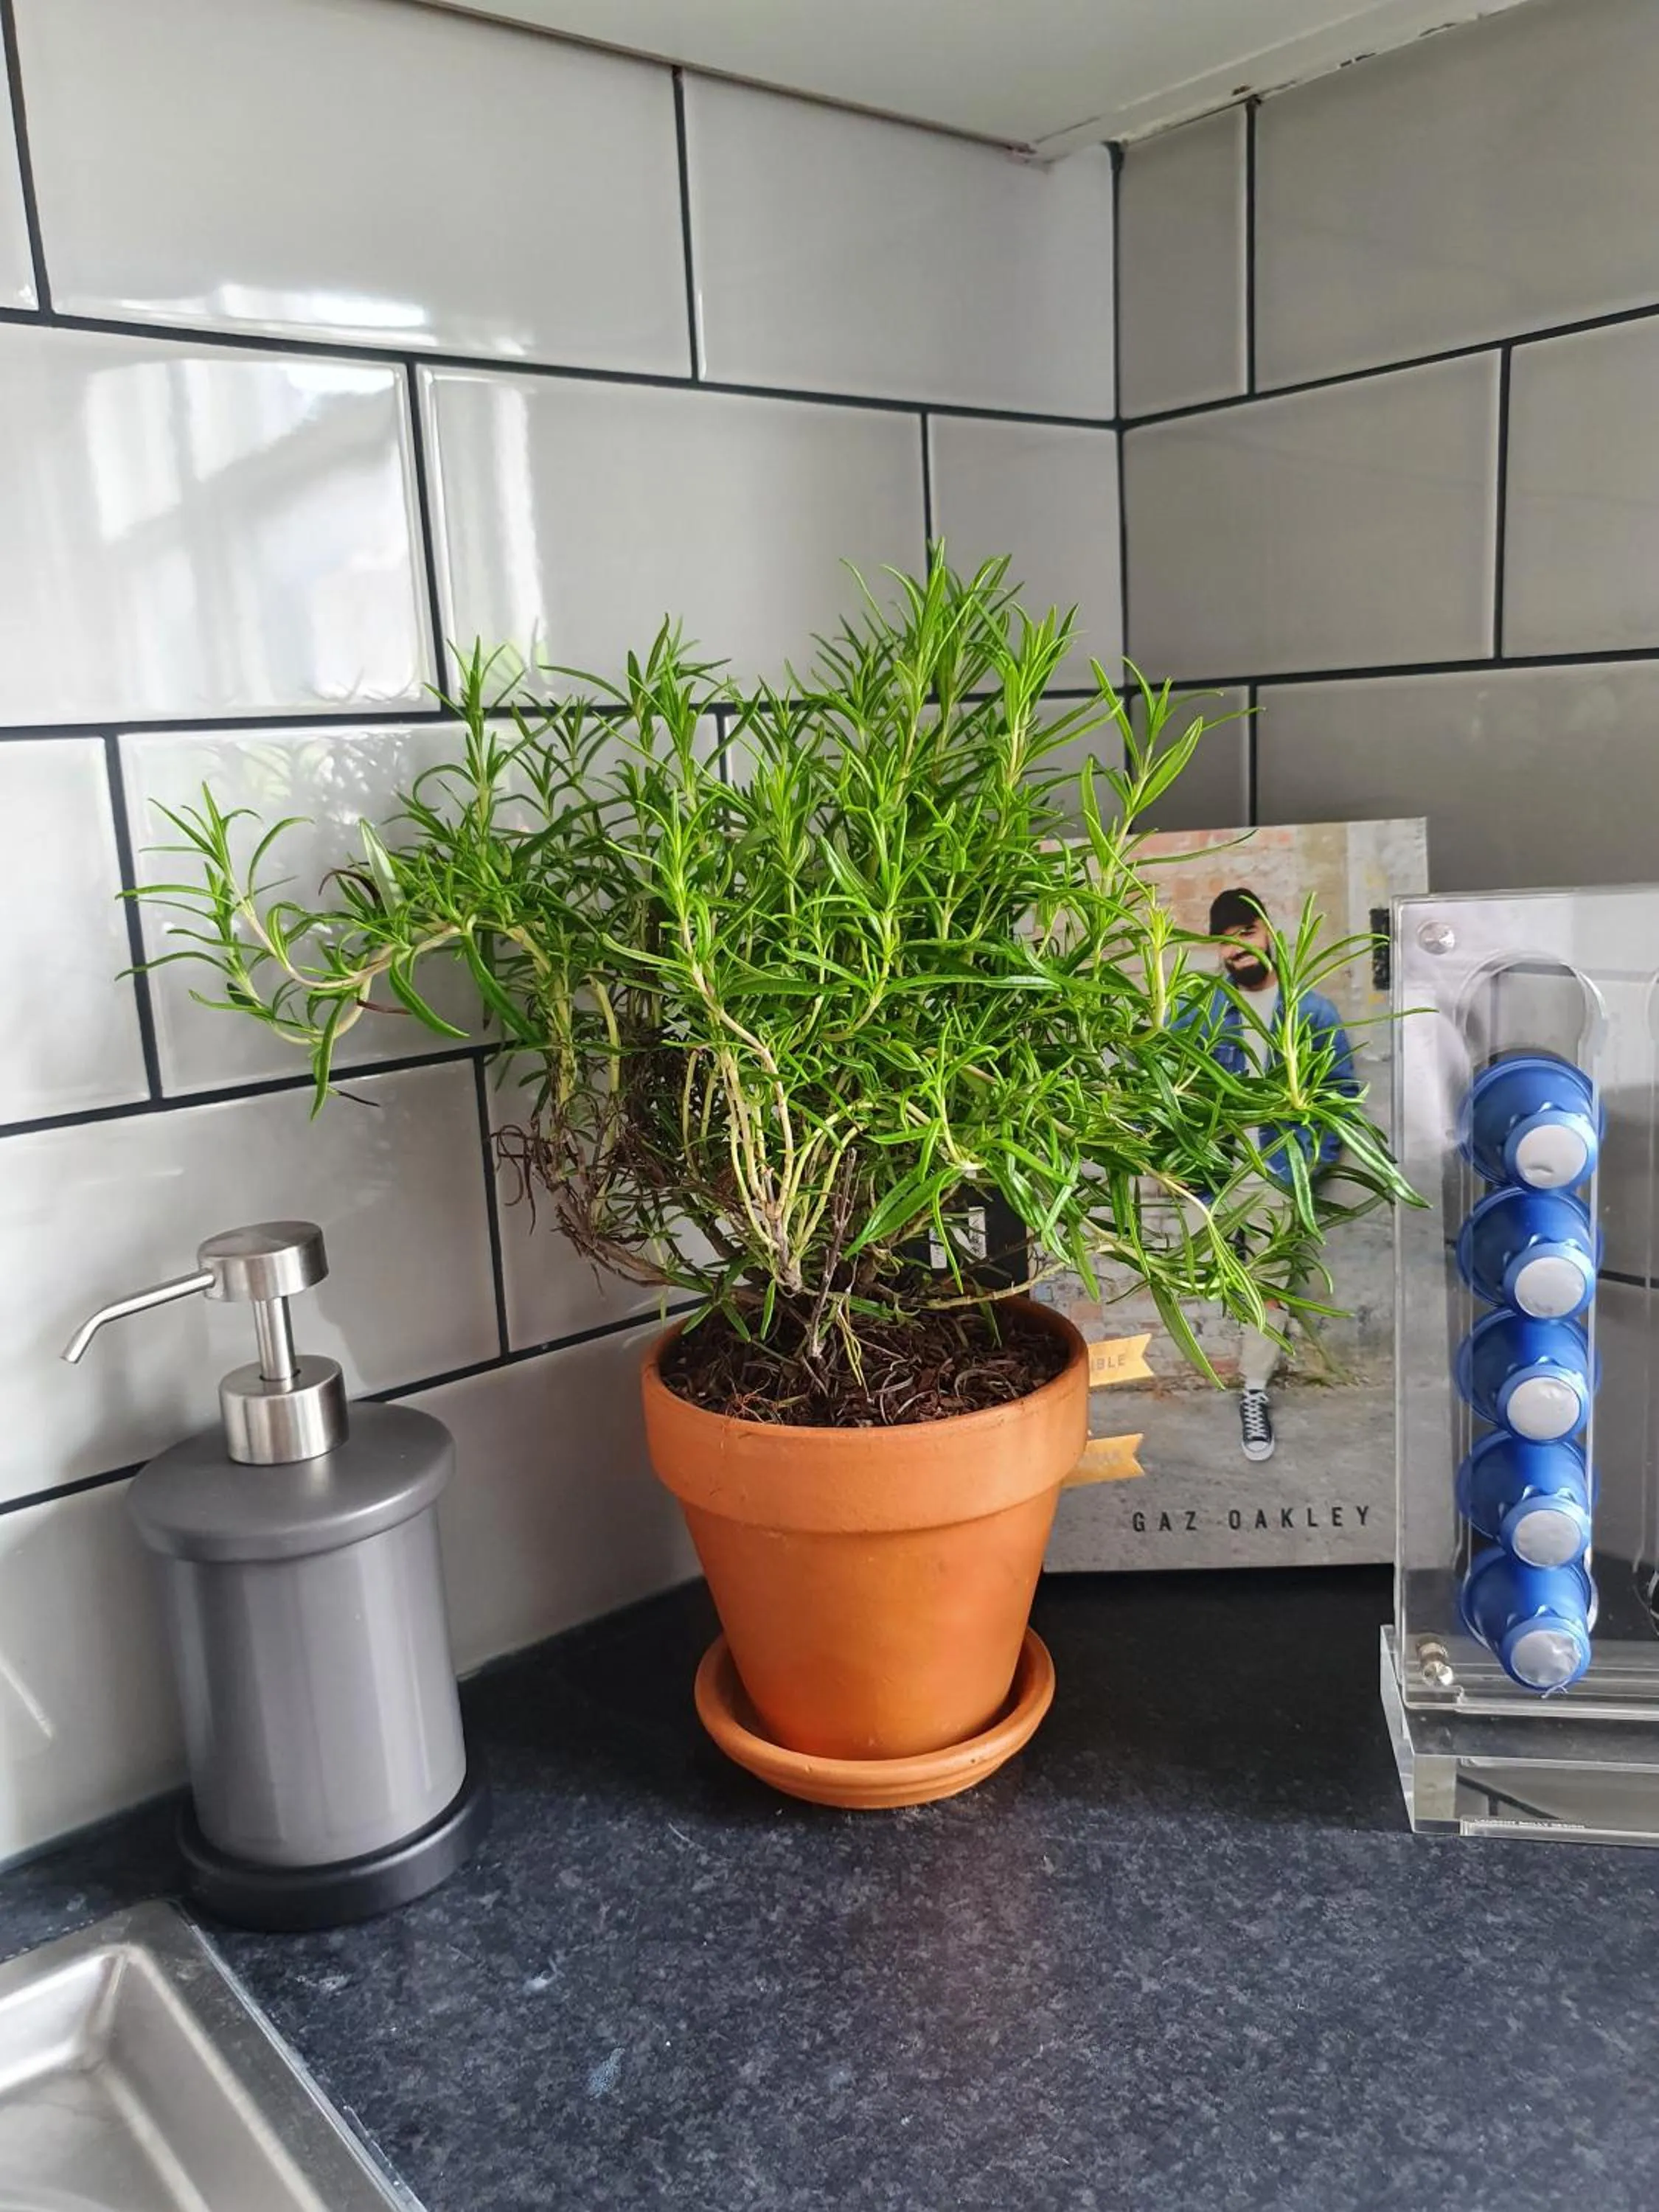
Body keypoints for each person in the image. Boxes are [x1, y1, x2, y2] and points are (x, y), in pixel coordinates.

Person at [1202, 886, 1357, 1464]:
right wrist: (1192, 1178)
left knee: (1265, 1284)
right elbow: (1179, 1095)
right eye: (1222, 940)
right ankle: (1251, 1369)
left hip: (1275, 1172)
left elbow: (1339, 1097)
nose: (1234, 950)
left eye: (1244, 933)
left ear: (1268, 932)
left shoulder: (1311, 1011)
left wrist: (1300, 1168)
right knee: (1218, 1279)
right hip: (1215, 1174)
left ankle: (1254, 1390)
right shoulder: (1203, 1011)